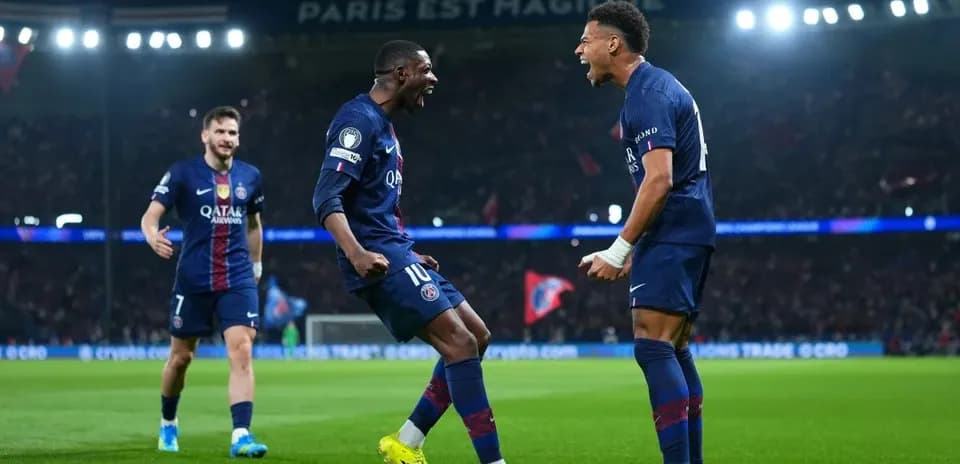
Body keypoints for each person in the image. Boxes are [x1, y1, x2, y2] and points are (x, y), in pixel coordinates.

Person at [312, 40, 505, 464]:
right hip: (376, 256)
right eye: (426, 70)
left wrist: (408, 254)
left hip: (397, 250)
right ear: (401, 73)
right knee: (459, 343)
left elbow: (376, 205)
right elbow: (326, 198)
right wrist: (359, 254)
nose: (433, 79)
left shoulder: (384, 126)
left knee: (477, 336)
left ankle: (407, 441)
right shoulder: (357, 120)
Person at [575, 2, 716, 463]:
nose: (579, 50)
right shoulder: (655, 87)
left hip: (677, 227)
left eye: (586, 40)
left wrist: (620, 248)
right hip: (682, 228)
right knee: (672, 348)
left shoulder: (647, 95)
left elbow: (660, 180)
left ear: (613, 44)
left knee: (652, 345)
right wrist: (639, 246)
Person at [141, 106, 268, 458]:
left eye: (233, 133)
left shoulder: (250, 176)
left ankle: (241, 435)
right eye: (221, 132)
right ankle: (168, 422)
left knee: (242, 350)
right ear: (205, 136)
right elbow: (150, 215)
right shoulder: (183, 174)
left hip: (237, 277)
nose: (227, 139)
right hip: (194, 279)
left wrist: (256, 266)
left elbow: (254, 224)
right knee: (181, 359)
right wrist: (152, 237)